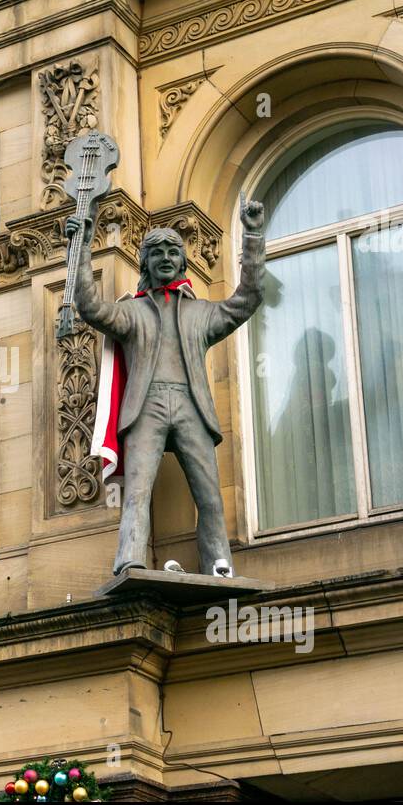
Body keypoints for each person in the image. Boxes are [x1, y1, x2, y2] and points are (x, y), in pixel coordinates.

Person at [69, 198, 266, 576]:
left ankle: (218, 564)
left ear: (181, 261)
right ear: (144, 262)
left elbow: (248, 298)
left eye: (172, 251)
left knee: (209, 496)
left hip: (192, 407)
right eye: (156, 252)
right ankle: (130, 559)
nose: (164, 257)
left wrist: (253, 235)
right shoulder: (131, 312)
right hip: (146, 407)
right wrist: (80, 249)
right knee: (138, 493)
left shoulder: (202, 313)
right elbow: (90, 307)